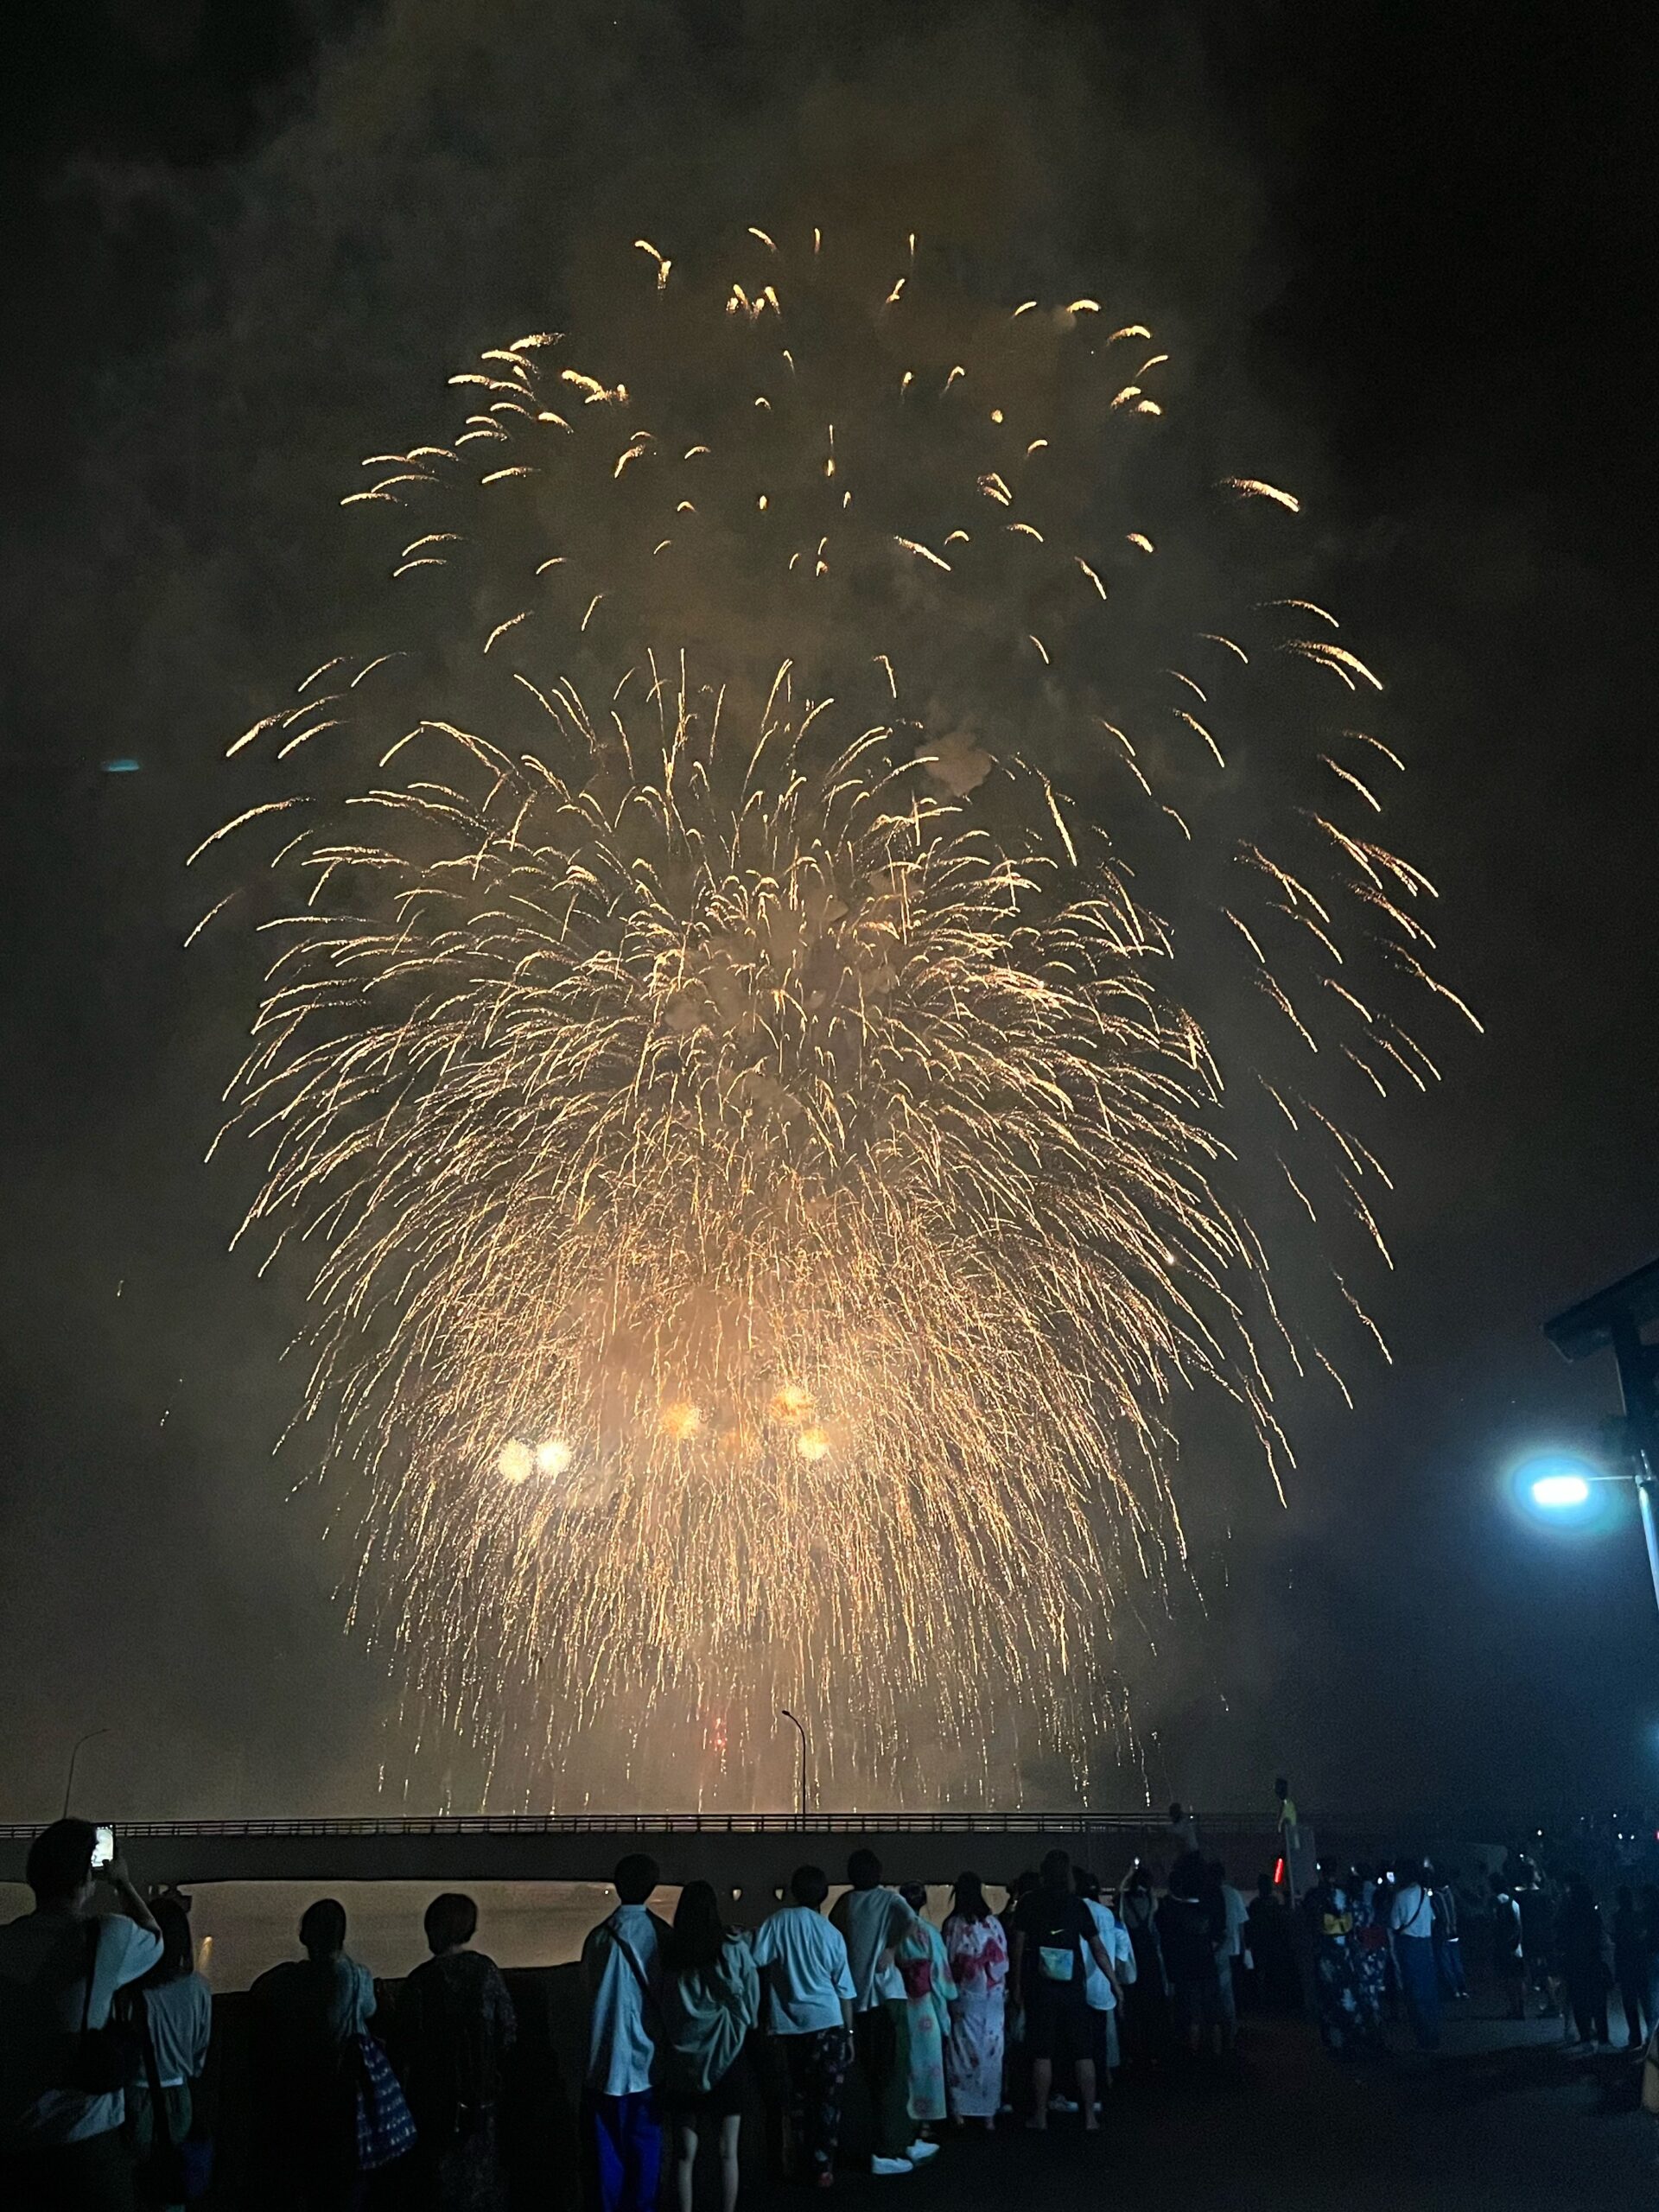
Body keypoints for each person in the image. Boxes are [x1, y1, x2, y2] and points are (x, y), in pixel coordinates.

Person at [0, 1818, 163, 2211]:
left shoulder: (5, 1943)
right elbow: (156, 1938)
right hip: (89, 2143)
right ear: (87, 1878)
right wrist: (122, 1882)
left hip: (15, 2145)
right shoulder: (106, 1936)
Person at [249, 1897, 378, 2210]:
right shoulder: (359, 1977)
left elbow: (258, 1991)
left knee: (300, 2178)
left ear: (305, 1936)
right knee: (341, 2184)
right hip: (346, 2095)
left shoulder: (290, 1979)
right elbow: (370, 2011)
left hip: (300, 2093)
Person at [390, 1892, 517, 2212]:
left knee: (437, 2185)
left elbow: (402, 2045)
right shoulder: (485, 1972)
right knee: (480, 2182)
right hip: (480, 2098)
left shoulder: (421, 1981)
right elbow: (507, 2032)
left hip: (432, 2101)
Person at [829, 1849, 936, 2176]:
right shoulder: (888, 1900)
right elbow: (911, 1920)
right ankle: (891, 2147)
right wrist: (890, 1947)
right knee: (894, 2072)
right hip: (887, 1996)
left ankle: (896, 2141)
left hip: (856, 1999)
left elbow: (835, 1936)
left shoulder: (844, 1904)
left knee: (868, 2075)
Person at [749, 1866, 855, 2189]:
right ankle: (823, 2166)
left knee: (793, 2098)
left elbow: (755, 1959)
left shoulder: (778, 1922)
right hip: (828, 2023)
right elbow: (844, 1991)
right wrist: (849, 2034)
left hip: (787, 2027)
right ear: (823, 1896)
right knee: (828, 2098)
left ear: (793, 1891)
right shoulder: (831, 1933)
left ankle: (791, 2160)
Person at [659, 1882, 759, 2212]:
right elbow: (749, 1999)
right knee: (728, 2150)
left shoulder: (669, 1953)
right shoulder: (730, 1948)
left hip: (683, 2063)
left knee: (684, 2153)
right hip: (727, 2057)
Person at [581, 1854, 670, 2212]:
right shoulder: (659, 1935)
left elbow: (588, 1992)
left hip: (603, 2061)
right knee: (645, 2153)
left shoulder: (598, 1937)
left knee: (605, 2161)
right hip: (647, 2063)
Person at [1008, 1848, 1116, 2128]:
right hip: (1073, 1988)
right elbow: (1098, 1948)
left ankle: (1041, 2115)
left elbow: (1017, 1949)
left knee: (1042, 2053)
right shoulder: (1077, 1905)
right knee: (1083, 2052)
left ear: (1044, 1873)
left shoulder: (1029, 1904)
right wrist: (1114, 1983)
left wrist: (1016, 1986)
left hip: (1041, 1987)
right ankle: (1090, 2116)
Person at [124, 1894, 211, 2212]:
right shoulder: (199, 1988)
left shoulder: (131, 1992)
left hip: (136, 2098)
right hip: (179, 2097)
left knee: (139, 2187)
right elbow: (200, 2054)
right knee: (174, 2182)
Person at [940, 1874, 1007, 2128]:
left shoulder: (953, 1925)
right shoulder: (994, 1924)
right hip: (992, 1998)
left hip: (964, 1997)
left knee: (960, 2051)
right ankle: (988, 2113)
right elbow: (1002, 1963)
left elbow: (948, 1961)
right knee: (992, 2052)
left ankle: (960, 2111)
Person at [893, 1886, 954, 2139]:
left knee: (906, 2059)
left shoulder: (892, 1933)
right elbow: (939, 1972)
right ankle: (927, 2120)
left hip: (900, 1997)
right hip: (925, 2002)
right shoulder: (929, 1932)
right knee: (928, 2061)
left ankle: (905, 2116)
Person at [1154, 1853, 1219, 2059]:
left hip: (1187, 1970)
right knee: (1213, 2014)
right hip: (1208, 1966)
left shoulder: (1174, 1913)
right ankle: (1217, 2054)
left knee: (1192, 2016)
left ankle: (1193, 2056)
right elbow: (1218, 1937)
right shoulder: (1207, 1909)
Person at [1074, 1871, 1131, 2101]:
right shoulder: (1107, 1915)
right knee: (1101, 2041)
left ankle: (1082, 2094)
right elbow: (1120, 1950)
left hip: (1077, 1988)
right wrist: (1115, 1981)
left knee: (1080, 2046)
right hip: (1103, 1985)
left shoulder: (1074, 1910)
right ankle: (1102, 2084)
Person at [1305, 1865, 1361, 2057]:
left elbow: (1312, 1925)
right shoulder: (1344, 1895)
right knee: (1346, 1994)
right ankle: (1350, 2038)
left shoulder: (1314, 1897)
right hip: (1343, 1951)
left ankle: (1334, 2042)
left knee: (1328, 1997)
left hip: (1325, 1952)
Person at [1116, 1862, 1166, 2063]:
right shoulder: (1150, 1900)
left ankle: (1132, 2050)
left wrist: (1129, 1874)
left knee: (1133, 2003)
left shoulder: (1124, 1900)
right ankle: (1153, 2048)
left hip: (1131, 1953)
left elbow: (1118, 1892)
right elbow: (1154, 1907)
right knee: (1151, 2002)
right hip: (1149, 1956)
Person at [1388, 1861, 1440, 2051]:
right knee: (1429, 1992)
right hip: (1426, 1944)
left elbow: (1394, 1924)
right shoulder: (1424, 1894)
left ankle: (1424, 2038)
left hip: (1409, 1945)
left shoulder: (1400, 1897)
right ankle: (1434, 2035)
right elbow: (1433, 1919)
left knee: (1415, 1994)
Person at [1556, 1874, 1610, 2049]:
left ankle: (1585, 2038)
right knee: (1598, 2003)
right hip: (1593, 1962)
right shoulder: (1593, 1915)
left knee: (1579, 2002)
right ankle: (1602, 2040)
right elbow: (1601, 1939)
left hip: (1574, 1963)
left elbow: (1560, 1939)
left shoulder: (1567, 1915)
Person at [1209, 1860, 1249, 2050]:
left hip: (1215, 1951)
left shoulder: (1208, 1895)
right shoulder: (1233, 1894)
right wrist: (1243, 1948)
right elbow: (1242, 1924)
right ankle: (1231, 2031)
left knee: (1217, 1994)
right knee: (1231, 1994)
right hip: (1233, 1949)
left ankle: (1217, 2034)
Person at [1246, 1872, 1299, 2013]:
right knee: (1270, 1974)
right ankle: (1272, 2004)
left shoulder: (1256, 1904)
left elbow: (1250, 1926)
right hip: (1271, 1945)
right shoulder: (1272, 1903)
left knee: (1263, 1974)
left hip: (1262, 1945)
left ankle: (1264, 2004)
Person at [1613, 1885, 1649, 2050]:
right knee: (1646, 2002)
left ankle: (1635, 2037)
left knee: (1630, 2003)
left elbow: (1616, 1939)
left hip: (1625, 1963)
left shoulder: (1617, 1918)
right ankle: (1650, 2037)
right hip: (1639, 1963)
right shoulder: (1639, 1917)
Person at [1433, 1868, 1469, 2000]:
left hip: (1442, 1933)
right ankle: (1463, 1988)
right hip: (1454, 1931)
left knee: (1446, 1962)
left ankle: (1454, 1990)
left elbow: (1435, 1916)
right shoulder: (1451, 1893)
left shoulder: (1436, 1896)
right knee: (1456, 1961)